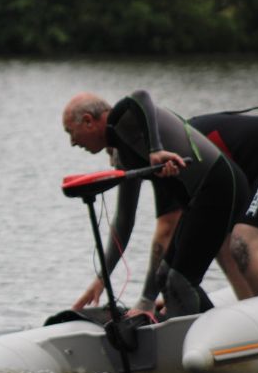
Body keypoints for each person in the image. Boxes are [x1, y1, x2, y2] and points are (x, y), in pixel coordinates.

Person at [62, 91, 248, 319]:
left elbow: (140, 97)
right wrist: (102, 278)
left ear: (89, 121)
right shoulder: (124, 154)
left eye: (71, 132)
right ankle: (212, 325)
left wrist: (155, 149)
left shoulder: (124, 118)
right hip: (199, 200)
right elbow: (124, 220)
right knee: (163, 277)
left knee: (179, 281)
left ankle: (195, 341)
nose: (72, 142)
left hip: (220, 185)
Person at [182, 111, 258, 297]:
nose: (113, 163)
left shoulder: (176, 153)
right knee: (223, 243)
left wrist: (149, 298)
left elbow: (168, 230)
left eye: (113, 152)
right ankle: (249, 307)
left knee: (244, 243)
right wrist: (173, 293)